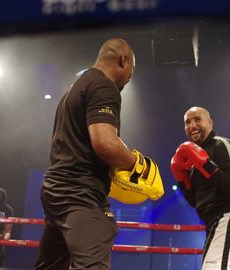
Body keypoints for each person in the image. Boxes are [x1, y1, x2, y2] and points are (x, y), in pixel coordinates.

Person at [35, 38, 164, 270]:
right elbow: (105, 143)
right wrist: (139, 164)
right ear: (123, 60)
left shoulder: (76, 87)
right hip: (79, 193)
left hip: (57, 190)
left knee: (52, 266)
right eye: (131, 71)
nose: (129, 78)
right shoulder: (104, 86)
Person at [170, 106, 230, 270]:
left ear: (210, 123)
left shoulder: (222, 145)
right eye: (188, 122)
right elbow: (195, 201)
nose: (192, 125)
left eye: (197, 119)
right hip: (214, 224)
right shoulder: (192, 161)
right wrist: (182, 178)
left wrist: (205, 164)